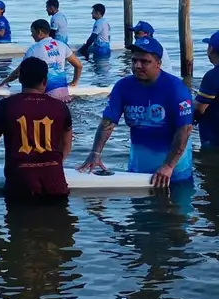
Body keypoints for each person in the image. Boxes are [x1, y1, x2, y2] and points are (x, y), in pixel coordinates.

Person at [77, 36, 193, 188]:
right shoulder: (123, 87)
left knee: (176, 209)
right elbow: (108, 122)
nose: (137, 65)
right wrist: (95, 153)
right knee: (139, 210)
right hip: (138, 164)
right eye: (134, 60)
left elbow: (185, 130)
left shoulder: (176, 88)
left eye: (145, 62)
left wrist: (168, 166)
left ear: (158, 63)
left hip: (175, 169)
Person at [0, 56, 72, 197]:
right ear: (45, 81)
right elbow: (67, 144)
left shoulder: (5, 106)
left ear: (20, 79)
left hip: (19, 184)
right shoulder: (61, 107)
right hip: (55, 184)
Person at [0, 19, 82, 101]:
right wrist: (74, 82)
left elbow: (18, 72)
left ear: (40, 32)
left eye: (32, 32)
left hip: (46, 96)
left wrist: (3, 83)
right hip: (63, 93)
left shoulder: (34, 49)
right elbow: (79, 66)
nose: (31, 35)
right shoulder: (62, 45)